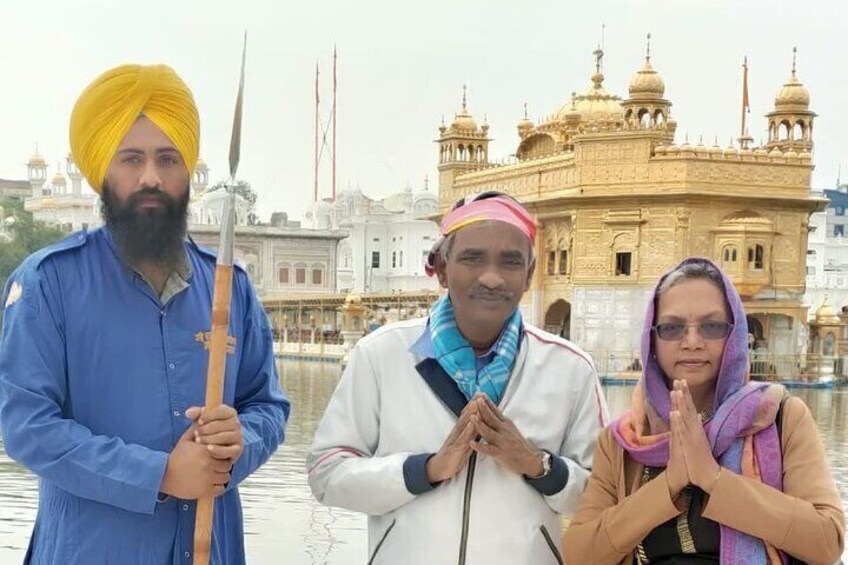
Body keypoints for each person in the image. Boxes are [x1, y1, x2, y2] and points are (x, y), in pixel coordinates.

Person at [0, 64, 290, 564]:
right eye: (131, 158)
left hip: (209, 548)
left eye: (168, 159)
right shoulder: (51, 283)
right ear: (102, 173)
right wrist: (158, 475)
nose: (151, 176)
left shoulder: (229, 288)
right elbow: (27, 426)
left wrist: (241, 439)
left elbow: (267, 404)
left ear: (188, 174)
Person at [308, 191, 608, 564]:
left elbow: (601, 496)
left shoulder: (569, 369)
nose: (492, 278)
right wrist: (426, 470)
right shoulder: (382, 355)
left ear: (529, 275)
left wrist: (536, 464)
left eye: (511, 262)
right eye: (473, 258)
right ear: (442, 268)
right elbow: (327, 474)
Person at [563, 258, 845, 564]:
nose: (692, 342)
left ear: (734, 336)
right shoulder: (627, 440)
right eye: (672, 328)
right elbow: (580, 554)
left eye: (711, 327)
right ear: (652, 340)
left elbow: (827, 541)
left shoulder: (775, 417)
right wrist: (670, 483)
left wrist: (712, 478)